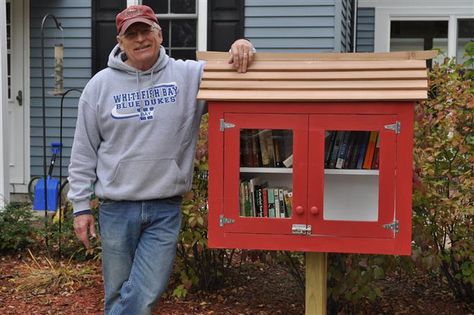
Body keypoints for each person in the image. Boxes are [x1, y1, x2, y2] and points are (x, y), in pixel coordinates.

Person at [67, 4, 255, 315]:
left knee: (145, 294)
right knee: (116, 294)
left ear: (159, 34)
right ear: (121, 41)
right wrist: (81, 206)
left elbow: (234, 68)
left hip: (164, 208)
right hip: (116, 208)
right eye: (132, 34)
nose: (140, 39)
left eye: (146, 31)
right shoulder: (98, 87)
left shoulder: (188, 75)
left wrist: (243, 45)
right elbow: (83, 150)